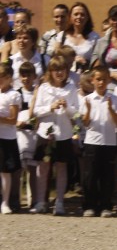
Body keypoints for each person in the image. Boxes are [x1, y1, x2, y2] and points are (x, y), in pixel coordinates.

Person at [31, 56, 79, 215]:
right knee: (43, 168)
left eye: (62, 69)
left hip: (63, 134)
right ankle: (41, 202)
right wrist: (50, 107)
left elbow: (76, 113)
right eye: (56, 70)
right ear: (50, 72)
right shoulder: (44, 88)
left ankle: (59, 202)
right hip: (46, 134)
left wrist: (67, 107)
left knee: (61, 168)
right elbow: (36, 111)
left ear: (67, 71)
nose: (59, 73)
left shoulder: (71, 88)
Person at [80, 66, 117, 218]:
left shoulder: (114, 99)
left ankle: (106, 205)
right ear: (92, 80)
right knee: (90, 175)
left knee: (107, 176)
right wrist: (88, 110)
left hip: (109, 142)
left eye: (104, 80)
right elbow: (85, 123)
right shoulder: (87, 99)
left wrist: (111, 109)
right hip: (92, 141)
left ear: (108, 81)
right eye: (98, 79)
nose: (101, 83)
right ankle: (90, 205)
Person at [15, 62, 38, 209]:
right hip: (20, 135)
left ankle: (33, 200)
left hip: (34, 134)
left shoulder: (38, 92)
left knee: (33, 170)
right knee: (19, 170)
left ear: (34, 76)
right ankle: (16, 199)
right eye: (23, 75)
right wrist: (17, 123)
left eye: (29, 75)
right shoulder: (17, 93)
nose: (26, 78)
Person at [0, 62, 21, 214]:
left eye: (1, 76)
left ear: (9, 77)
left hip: (6, 138)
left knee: (5, 171)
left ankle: (5, 202)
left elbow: (13, 120)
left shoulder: (14, 95)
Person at [55, 2, 99, 72]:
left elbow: (97, 62)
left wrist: (85, 62)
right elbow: (56, 58)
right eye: (76, 14)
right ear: (70, 17)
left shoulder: (95, 37)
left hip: (85, 75)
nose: (79, 17)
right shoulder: (62, 36)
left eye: (82, 15)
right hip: (66, 75)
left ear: (87, 18)